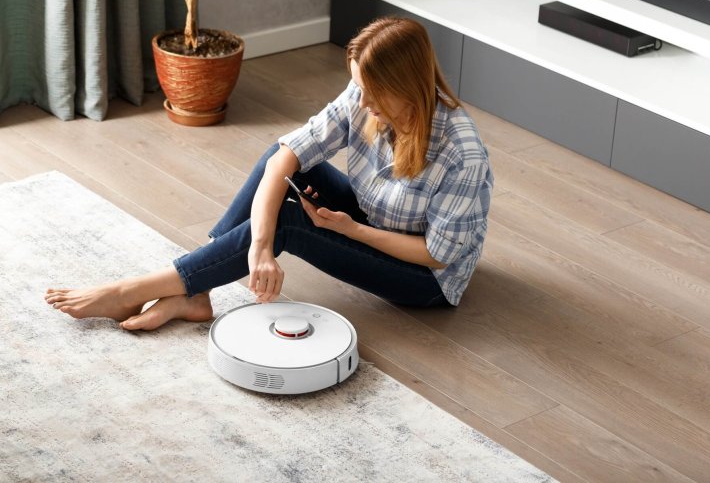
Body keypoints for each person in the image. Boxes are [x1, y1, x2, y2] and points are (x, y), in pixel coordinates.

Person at [44, 17, 494, 330]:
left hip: (423, 276)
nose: (361, 103)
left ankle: (133, 289)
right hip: (378, 218)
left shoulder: (461, 153)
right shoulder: (367, 95)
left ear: (405, 86)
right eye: (357, 87)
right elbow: (286, 155)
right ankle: (194, 290)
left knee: (292, 220)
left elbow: (436, 255)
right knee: (281, 159)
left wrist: (352, 231)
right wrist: (259, 247)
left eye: (371, 91)